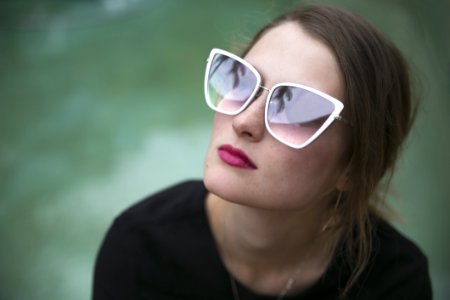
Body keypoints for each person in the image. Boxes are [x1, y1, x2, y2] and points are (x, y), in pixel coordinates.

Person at [92, 4, 432, 300]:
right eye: (240, 80)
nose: (244, 121)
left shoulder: (395, 281)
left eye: (296, 108)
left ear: (352, 168)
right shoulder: (138, 248)